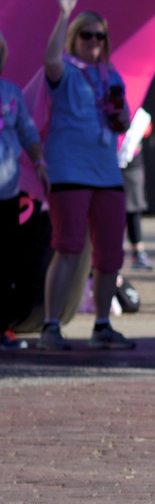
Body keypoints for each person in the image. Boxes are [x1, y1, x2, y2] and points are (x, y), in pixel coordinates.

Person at [39, 0, 135, 351]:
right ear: (74, 39)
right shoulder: (65, 71)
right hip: (69, 170)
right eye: (86, 35)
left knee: (110, 253)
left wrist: (121, 120)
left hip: (106, 172)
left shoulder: (111, 75)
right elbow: (50, 60)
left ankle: (102, 325)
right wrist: (64, 16)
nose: (94, 41)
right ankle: (51, 326)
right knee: (68, 247)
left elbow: (122, 120)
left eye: (100, 36)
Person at [0, 33, 48, 350]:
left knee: (6, 262)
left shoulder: (11, 92)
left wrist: (40, 163)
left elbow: (28, 133)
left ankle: (2, 328)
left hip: (6, 193)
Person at [118, 111, 155, 271]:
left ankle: (138, 253)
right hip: (109, 162)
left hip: (132, 163)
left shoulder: (137, 109)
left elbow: (147, 129)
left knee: (133, 209)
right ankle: (110, 254)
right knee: (112, 212)